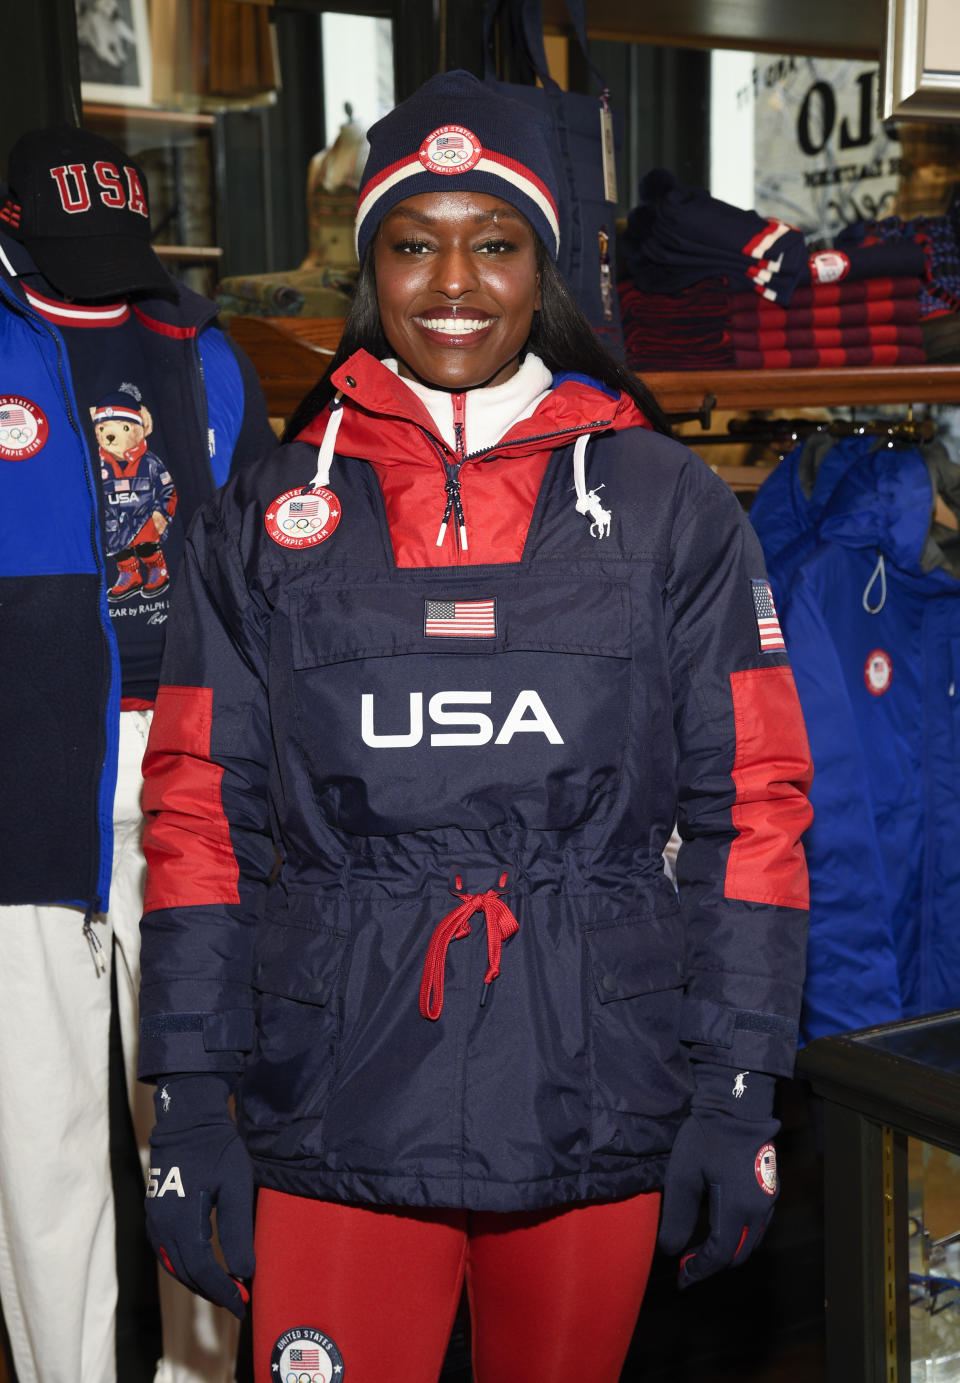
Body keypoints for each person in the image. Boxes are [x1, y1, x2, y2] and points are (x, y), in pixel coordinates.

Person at [138, 71, 814, 1383]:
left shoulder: (668, 506)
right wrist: (185, 1090)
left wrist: (739, 1086)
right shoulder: (269, 516)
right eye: (413, 241)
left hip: (591, 1084)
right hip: (332, 1095)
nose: (454, 279)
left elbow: (758, 800)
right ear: (368, 263)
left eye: (493, 242)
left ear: (542, 263)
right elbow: (197, 814)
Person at [0, 124, 275, 1383]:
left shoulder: (202, 352)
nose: (105, 279)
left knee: (198, 1110)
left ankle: (205, 1372)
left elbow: (270, 575)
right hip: (25, 781)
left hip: (191, 777)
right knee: (41, 1143)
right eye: (73, 254)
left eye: (122, 250)